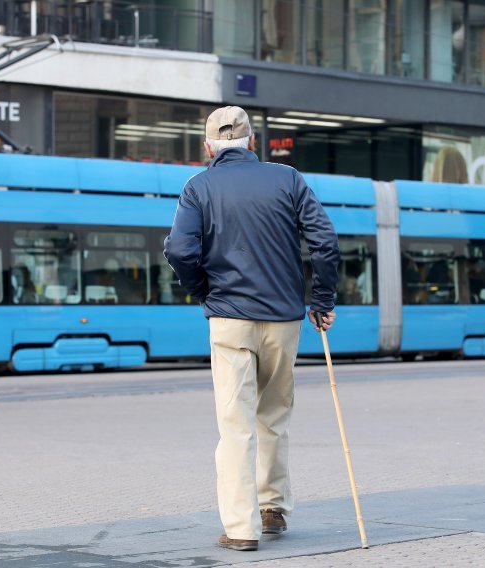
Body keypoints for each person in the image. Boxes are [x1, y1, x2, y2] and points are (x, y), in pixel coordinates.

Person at [164, 106, 340, 552]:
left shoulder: (198, 187)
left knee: (235, 424)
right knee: (274, 416)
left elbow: (181, 249)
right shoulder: (288, 179)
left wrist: (202, 289)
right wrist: (321, 301)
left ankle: (242, 528)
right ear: (253, 142)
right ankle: (273, 507)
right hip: (284, 320)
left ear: (208, 146)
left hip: (229, 320)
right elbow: (324, 242)